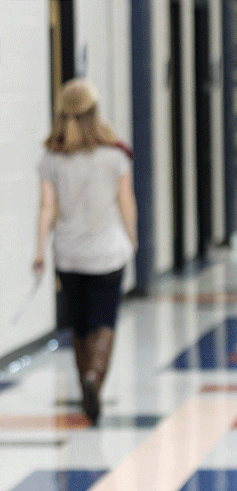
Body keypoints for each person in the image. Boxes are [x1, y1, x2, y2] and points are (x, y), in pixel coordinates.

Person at [33, 79, 137, 426]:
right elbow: (126, 202)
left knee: (79, 324)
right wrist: (133, 239)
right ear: (95, 112)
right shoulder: (115, 156)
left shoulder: (52, 158)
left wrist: (39, 250)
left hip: (69, 254)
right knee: (104, 320)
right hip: (107, 253)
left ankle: (83, 386)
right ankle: (94, 377)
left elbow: (47, 208)